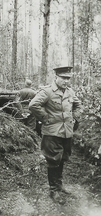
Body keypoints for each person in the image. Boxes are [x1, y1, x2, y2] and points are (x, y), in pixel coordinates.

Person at [29, 66, 83, 203]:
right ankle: (54, 190)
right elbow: (33, 105)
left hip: (67, 133)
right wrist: (45, 118)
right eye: (63, 78)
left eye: (68, 78)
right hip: (52, 133)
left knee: (62, 158)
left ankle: (59, 185)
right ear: (56, 77)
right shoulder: (47, 91)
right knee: (53, 160)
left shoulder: (70, 92)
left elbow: (78, 105)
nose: (66, 81)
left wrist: (75, 117)